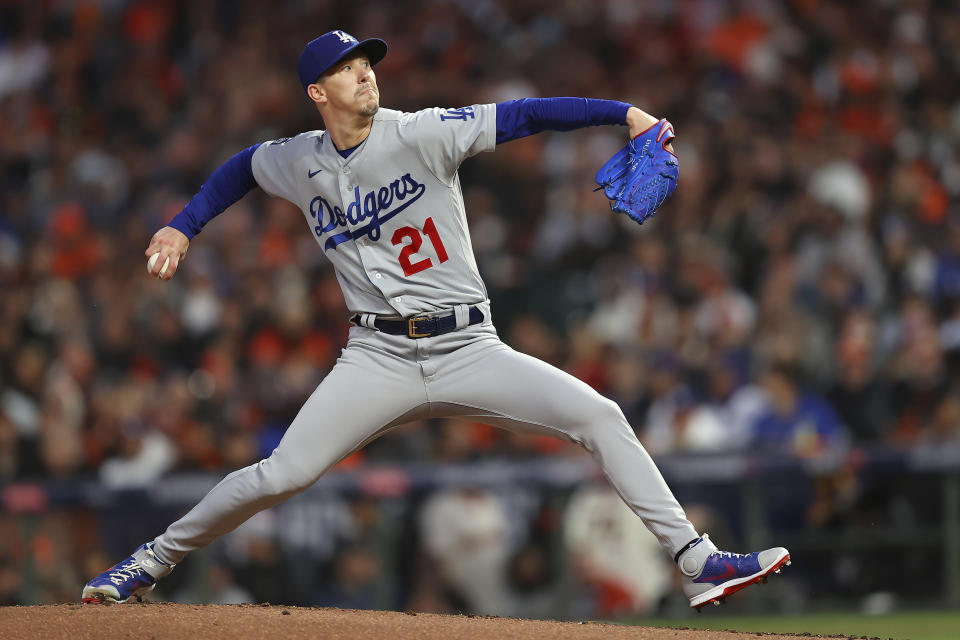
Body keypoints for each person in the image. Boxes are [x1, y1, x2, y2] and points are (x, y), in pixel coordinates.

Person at [82, 29, 789, 610]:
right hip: (376, 359)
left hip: (468, 347)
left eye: (366, 64)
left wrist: (624, 114)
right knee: (279, 477)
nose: (364, 76)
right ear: (317, 92)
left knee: (600, 416)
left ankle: (697, 562)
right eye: (346, 69)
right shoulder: (298, 159)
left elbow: (527, 115)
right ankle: (145, 564)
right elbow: (239, 168)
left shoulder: (422, 134)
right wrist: (181, 227)